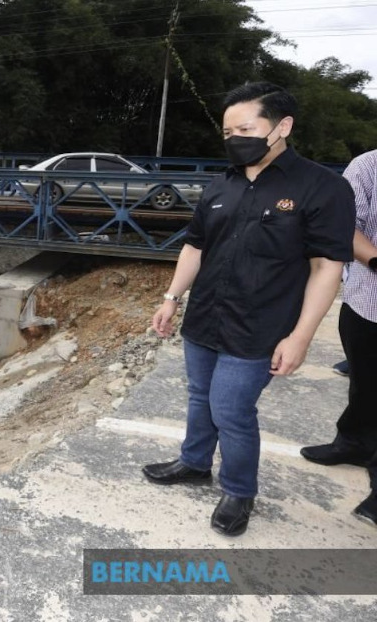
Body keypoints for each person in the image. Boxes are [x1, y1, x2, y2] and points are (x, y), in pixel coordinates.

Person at [143, 82, 355, 537]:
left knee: (231, 409)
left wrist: (300, 337)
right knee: (200, 395)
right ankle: (194, 462)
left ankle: (239, 491)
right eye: (227, 132)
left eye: (245, 129)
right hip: (205, 315)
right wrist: (171, 298)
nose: (235, 139)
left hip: (262, 324)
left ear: (282, 126)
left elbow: (326, 268)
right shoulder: (222, 183)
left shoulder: (323, 187)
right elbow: (195, 246)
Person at [300, 148, 377, 527]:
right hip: (367, 301)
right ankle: (354, 443)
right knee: (364, 384)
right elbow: (345, 224)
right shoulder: (368, 166)